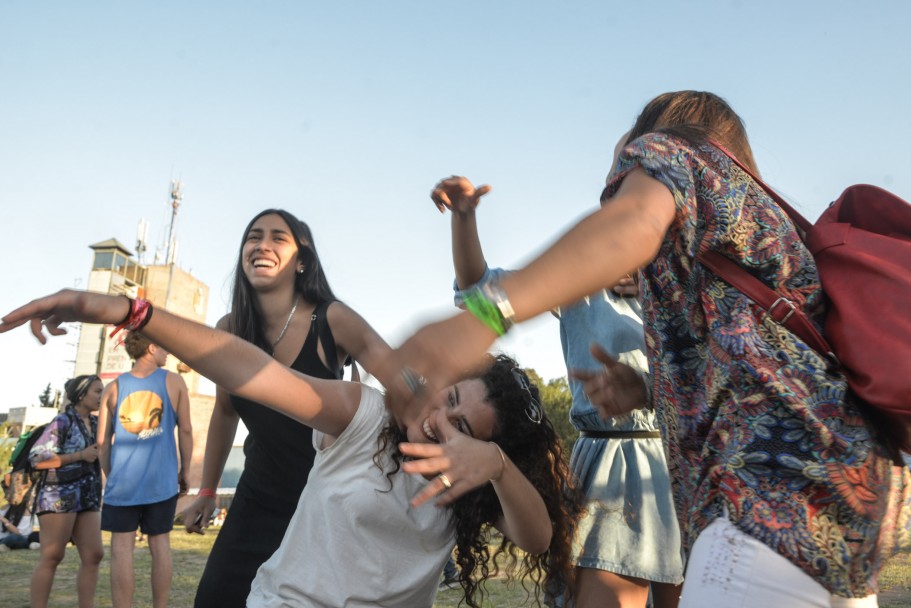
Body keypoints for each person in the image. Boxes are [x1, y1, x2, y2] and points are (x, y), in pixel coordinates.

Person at [384, 91, 911, 606]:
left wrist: (484, 318)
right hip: (845, 505)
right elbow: (759, 370)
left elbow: (631, 223)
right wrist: (644, 390)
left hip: (766, 498)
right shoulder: (747, 235)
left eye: (623, 162)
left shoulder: (674, 153)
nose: (616, 178)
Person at [0, 290, 585, 608]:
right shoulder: (366, 414)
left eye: (463, 426)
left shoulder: (472, 484)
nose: (439, 421)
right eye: (450, 397)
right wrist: (137, 313)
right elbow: (251, 370)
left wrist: (498, 467)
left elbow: (537, 536)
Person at [435, 179, 684, 607]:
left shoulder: (698, 286)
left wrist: (657, 286)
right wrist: (464, 218)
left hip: (689, 471)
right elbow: (481, 295)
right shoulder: (583, 279)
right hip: (614, 466)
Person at [179, 209, 393, 607]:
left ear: (302, 260)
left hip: (327, 497)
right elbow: (225, 411)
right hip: (259, 494)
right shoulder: (229, 329)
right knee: (215, 597)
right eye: (253, 237)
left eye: (278, 238)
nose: (262, 245)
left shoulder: (333, 319)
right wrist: (207, 490)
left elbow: (401, 379)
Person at [98, 331, 193, 608]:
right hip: (161, 481)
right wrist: (185, 471)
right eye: (164, 347)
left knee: (121, 550)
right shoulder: (174, 382)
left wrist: (112, 476)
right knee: (160, 545)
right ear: (151, 348)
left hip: (122, 484)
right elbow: (185, 430)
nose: (168, 352)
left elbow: (103, 443)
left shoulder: (112, 388)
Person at [28, 374, 104, 608]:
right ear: (81, 395)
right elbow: (37, 458)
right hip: (58, 496)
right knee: (52, 555)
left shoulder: (97, 424)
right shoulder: (62, 421)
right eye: (97, 391)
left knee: (94, 554)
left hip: (87, 496)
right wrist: (79, 455)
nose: (102, 396)